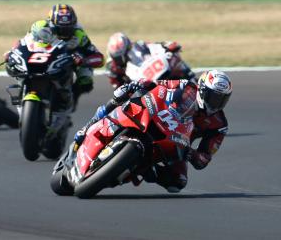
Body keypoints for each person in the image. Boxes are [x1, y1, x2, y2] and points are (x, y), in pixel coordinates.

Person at [73, 70, 232, 193]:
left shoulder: (219, 125)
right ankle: (89, 125)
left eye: (222, 99)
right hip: (160, 120)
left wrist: (193, 155)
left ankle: (144, 169)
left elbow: (204, 159)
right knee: (122, 94)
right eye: (213, 97)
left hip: (178, 145)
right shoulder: (185, 86)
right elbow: (158, 85)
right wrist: (140, 84)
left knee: (178, 182)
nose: (216, 103)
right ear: (202, 90)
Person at [5, 4, 104, 110]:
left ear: (74, 24)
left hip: (65, 61)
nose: (63, 33)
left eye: (68, 28)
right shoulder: (41, 27)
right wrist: (12, 51)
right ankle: (22, 89)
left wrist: (83, 61)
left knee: (86, 80)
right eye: (59, 29)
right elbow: (23, 41)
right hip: (41, 57)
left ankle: (70, 100)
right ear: (51, 24)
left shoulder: (79, 35)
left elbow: (99, 57)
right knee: (16, 65)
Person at [105, 32, 196, 89]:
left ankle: (194, 83)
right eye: (117, 57)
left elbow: (155, 46)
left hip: (154, 75)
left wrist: (167, 46)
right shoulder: (112, 67)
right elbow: (118, 89)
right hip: (138, 89)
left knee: (176, 62)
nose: (119, 59)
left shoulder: (139, 45)